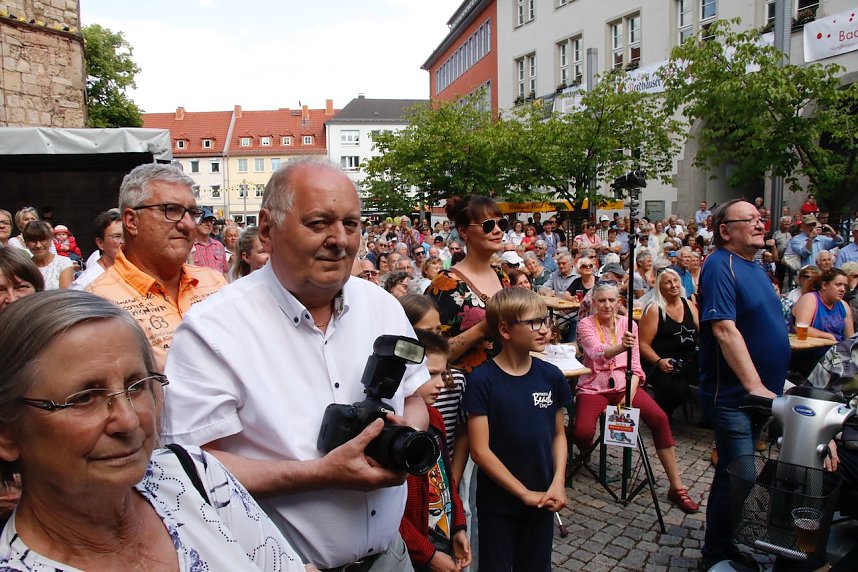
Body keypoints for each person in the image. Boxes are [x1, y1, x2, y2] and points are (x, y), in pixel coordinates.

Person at [163, 159, 430, 571]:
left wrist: (406, 436)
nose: (340, 240)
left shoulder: (382, 305)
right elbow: (193, 467)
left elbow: (415, 396)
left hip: (391, 558)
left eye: (352, 224)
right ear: (267, 229)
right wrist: (320, 473)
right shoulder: (213, 329)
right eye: (319, 222)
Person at [0, 290, 309, 571]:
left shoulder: (190, 477)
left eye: (136, 386)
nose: (129, 421)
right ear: (7, 433)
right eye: (84, 398)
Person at [697, 199, 790, 571]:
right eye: (748, 219)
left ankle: (721, 547)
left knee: (732, 475)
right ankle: (717, 554)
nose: (758, 224)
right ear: (725, 231)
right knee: (743, 475)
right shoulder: (720, 265)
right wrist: (755, 385)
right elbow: (723, 328)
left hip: (757, 398)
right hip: (735, 397)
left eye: (759, 218)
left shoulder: (756, 265)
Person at [463, 287, 571, 571]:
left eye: (546, 320)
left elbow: (559, 434)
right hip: (498, 504)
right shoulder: (483, 381)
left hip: (543, 498)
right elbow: (480, 450)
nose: (544, 329)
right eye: (534, 322)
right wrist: (522, 493)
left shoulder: (551, 377)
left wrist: (558, 482)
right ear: (505, 330)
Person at [575, 281, 699, 515]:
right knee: (582, 431)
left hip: (624, 385)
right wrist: (622, 346)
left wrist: (628, 398)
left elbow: (636, 368)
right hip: (594, 386)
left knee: (660, 419)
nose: (607, 305)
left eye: (612, 300)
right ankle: (579, 450)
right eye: (602, 300)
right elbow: (596, 353)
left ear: (619, 302)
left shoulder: (628, 324)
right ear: (593, 303)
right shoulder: (585, 324)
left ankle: (677, 487)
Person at [86, 163, 227, 369]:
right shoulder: (100, 302)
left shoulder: (214, 282)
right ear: (131, 221)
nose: (188, 224)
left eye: (192, 212)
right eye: (171, 210)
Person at [399, 330, 471, 572]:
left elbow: (445, 479)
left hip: (442, 538)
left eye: (443, 373)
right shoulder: (393, 430)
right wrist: (429, 555)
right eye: (431, 374)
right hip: (414, 554)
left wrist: (458, 526)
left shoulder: (435, 418)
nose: (441, 383)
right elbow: (389, 514)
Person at [427, 195, 509, 373]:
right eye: (488, 225)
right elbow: (431, 353)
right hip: (467, 390)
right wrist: (482, 329)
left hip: (507, 385)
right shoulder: (445, 283)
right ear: (464, 232)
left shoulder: (501, 275)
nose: (497, 231)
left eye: (501, 224)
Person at [639, 269, 700, 418]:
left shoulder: (688, 305)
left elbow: (700, 334)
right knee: (676, 389)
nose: (673, 285)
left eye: (676, 281)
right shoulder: (654, 309)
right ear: (660, 287)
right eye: (668, 282)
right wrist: (659, 361)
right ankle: (660, 415)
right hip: (661, 361)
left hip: (688, 359)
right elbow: (643, 344)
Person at [792, 267, 853, 343]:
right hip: (809, 351)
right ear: (824, 285)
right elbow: (801, 329)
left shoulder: (843, 305)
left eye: (845, 286)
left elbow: (849, 338)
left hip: (836, 351)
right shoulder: (810, 299)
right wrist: (828, 336)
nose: (842, 289)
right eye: (838, 284)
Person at [70, 210, 124, 291]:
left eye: (127, 235)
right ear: (100, 243)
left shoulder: (137, 271)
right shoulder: (85, 283)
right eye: (117, 236)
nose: (124, 241)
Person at [22, 221, 74, 290]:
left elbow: (65, 296)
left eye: (43, 240)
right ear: (26, 243)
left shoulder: (64, 263)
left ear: (50, 240)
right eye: (33, 241)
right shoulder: (24, 268)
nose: (38, 245)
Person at [191, 208, 229, 274]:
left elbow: (225, 272)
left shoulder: (218, 245)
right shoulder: (189, 247)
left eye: (211, 221)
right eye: (205, 221)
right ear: (195, 222)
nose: (209, 224)